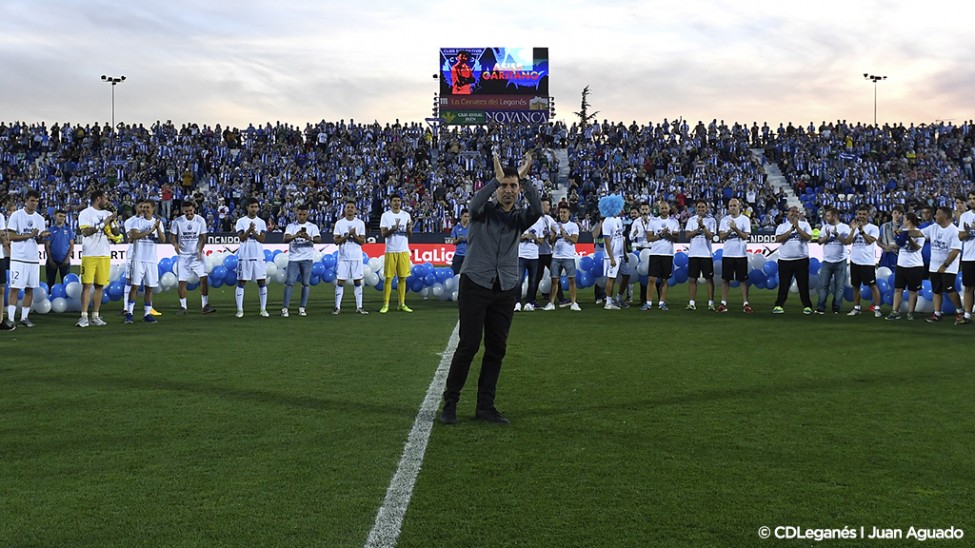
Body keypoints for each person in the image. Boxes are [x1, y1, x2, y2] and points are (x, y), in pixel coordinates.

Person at [440, 152, 539, 425]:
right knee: (469, 345)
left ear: (519, 190)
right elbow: (473, 204)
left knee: (497, 349)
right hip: (475, 283)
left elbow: (538, 211)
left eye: (513, 186)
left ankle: (485, 407)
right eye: (503, 186)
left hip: (505, 287)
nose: (508, 190)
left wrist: (525, 179)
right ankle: (450, 403)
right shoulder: (482, 213)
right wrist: (493, 182)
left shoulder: (520, 218)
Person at [6, 190, 50, 328]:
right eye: (32, 200)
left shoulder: (39, 219)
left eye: (37, 201)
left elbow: (38, 239)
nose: (34, 204)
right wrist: (30, 235)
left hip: (33, 259)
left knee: (30, 289)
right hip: (18, 258)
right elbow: (11, 237)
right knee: (14, 288)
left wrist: (42, 236)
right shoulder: (16, 216)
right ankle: (11, 319)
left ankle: (24, 318)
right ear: (26, 200)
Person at [77, 190, 121, 327]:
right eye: (105, 198)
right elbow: (85, 232)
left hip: (104, 253)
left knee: (99, 286)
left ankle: (95, 316)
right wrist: (104, 223)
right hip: (89, 253)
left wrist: (113, 221)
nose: (107, 201)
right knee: (86, 285)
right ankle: (84, 316)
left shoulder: (108, 214)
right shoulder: (85, 213)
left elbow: (117, 233)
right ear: (98, 199)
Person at [123, 199, 165, 324]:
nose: (145, 210)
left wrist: (157, 229)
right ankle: (129, 312)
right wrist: (150, 230)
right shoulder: (136, 221)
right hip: (138, 258)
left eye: (147, 208)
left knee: (149, 288)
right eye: (143, 207)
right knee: (135, 286)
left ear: (153, 209)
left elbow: (162, 240)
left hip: (151, 259)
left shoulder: (158, 223)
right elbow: (134, 236)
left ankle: (147, 313)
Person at [171, 200, 216, 314]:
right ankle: (183, 307)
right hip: (183, 255)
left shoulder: (200, 220)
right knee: (182, 281)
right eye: (186, 211)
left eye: (190, 211)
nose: (189, 213)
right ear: (183, 211)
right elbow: (172, 236)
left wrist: (200, 251)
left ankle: (205, 305)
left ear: (194, 209)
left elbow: (203, 237)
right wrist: (175, 244)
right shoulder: (178, 221)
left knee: (204, 278)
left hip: (196, 255)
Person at [920, 206, 963, 323]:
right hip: (934, 265)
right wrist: (905, 232)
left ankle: (960, 311)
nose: (935, 216)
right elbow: (919, 233)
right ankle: (937, 313)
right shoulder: (933, 227)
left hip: (949, 266)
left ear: (945, 216)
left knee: (950, 289)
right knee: (936, 290)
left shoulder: (954, 231)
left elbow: (955, 250)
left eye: (938, 214)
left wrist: (945, 265)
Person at [772, 206, 814, 314]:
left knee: (803, 284)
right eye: (792, 211)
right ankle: (779, 305)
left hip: (801, 259)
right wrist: (791, 230)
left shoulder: (805, 225)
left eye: (796, 212)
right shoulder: (782, 226)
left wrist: (798, 228)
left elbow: (808, 238)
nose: (794, 213)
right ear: (788, 214)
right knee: (784, 284)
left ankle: (807, 306)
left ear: (799, 214)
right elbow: (778, 239)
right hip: (785, 260)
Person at [281, 204, 321, 318]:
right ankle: (285, 308)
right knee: (290, 283)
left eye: (304, 214)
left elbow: (318, 239)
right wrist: (296, 235)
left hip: (307, 258)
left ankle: (302, 307)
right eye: (300, 214)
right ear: (296, 214)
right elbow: (285, 239)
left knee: (306, 284)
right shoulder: (291, 226)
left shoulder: (312, 227)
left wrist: (309, 238)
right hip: (293, 259)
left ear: (307, 214)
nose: (302, 217)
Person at [843, 205, 883, 317]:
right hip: (855, 260)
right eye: (859, 214)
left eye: (864, 214)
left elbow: (870, 241)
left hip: (867, 262)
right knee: (855, 286)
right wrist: (853, 230)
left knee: (873, 285)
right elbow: (848, 242)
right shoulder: (853, 227)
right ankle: (856, 307)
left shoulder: (873, 228)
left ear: (868, 215)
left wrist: (861, 231)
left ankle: (877, 308)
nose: (861, 216)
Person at [541, 203, 581, 311]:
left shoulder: (573, 226)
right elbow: (550, 241)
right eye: (560, 212)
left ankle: (574, 303)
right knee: (554, 280)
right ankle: (551, 303)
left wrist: (565, 234)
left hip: (568, 256)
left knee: (571, 280)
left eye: (564, 212)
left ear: (569, 214)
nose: (562, 214)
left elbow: (575, 240)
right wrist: (554, 234)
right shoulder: (555, 225)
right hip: (556, 256)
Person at [333, 200, 369, 315]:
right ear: (344, 209)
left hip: (356, 256)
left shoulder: (360, 223)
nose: (350, 209)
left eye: (352, 207)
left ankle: (359, 307)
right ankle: (337, 307)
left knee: (357, 281)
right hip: (343, 257)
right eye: (348, 207)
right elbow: (336, 241)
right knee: (340, 281)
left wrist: (353, 235)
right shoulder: (339, 223)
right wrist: (347, 235)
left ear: (355, 210)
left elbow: (362, 241)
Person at [234, 197, 269, 318]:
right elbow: (242, 238)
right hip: (245, 256)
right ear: (247, 208)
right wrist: (249, 229)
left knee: (262, 282)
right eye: (252, 207)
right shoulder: (241, 221)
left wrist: (253, 232)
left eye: (256, 207)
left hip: (258, 256)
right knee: (241, 282)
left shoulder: (261, 222)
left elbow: (262, 239)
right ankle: (240, 310)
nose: (254, 209)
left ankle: (263, 309)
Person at [887, 212, 925, 321]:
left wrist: (908, 238)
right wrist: (896, 241)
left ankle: (910, 312)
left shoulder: (919, 233)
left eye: (904, 218)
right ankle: (895, 311)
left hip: (915, 265)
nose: (902, 220)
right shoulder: (902, 231)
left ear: (909, 220)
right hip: (902, 264)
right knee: (898, 289)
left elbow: (917, 248)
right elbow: (899, 245)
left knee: (913, 290)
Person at [379, 195, 414, 313]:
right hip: (390, 250)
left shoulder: (406, 215)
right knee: (389, 278)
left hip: (403, 250)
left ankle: (402, 304)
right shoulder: (386, 216)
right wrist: (394, 229)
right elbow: (383, 234)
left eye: (398, 201)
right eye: (394, 201)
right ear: (390, 203)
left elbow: (410, 234)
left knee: (402, 278)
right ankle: (386, 304)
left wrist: (409, 228)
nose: (397, 203)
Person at [718, 198, 752, 313]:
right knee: (726, 280)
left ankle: (746, 303)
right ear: (728, 207)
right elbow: (721, 237)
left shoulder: (745, 220)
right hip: (728, 254)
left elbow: (745, 236)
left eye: (734, 205)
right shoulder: (724, 220)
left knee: (742, 280)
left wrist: (735, 229)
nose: (732, 207)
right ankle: (723, 303)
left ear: (739, 207)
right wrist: (729, 231)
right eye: (731, 205)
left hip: (740, 254)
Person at [815, 207, 850, 314]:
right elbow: (819, 241)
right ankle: (821, 307)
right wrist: (827, 236)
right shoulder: (825, 227)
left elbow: (846, 241)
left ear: (835, 216)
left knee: (839, 286)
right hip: (827, 261)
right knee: (823, 285)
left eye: (828, 215)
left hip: (841, 261)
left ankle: (836, 308)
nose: (826, 217)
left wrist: (836, 235)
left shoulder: (844, 227)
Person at [646, 200, 679, 311]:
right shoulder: (653, 221)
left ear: (669, 209)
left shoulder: (674, 222)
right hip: (655, 253)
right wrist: (660, 235)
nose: (664, 210)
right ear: (659, 209)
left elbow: (676, 239)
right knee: (651, 279)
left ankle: (662, 303)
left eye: (666, 208)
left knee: (665, 280)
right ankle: (649, 303)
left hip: (667, 254)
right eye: (662, 208)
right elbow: (649, 238)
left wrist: (667, 234)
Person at [684, 199, 716, 311]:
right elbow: (687, 235)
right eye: (699, 207)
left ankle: (711, 303)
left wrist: (702, 227)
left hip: (706, 254)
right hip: (693, 254)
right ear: (696, 208)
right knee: (692, 279)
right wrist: (697, 229)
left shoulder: (711, 220)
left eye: (703, 207)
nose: (701, 209)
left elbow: (710, 236)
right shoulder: (691, 220)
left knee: (709, 279)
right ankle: (692, 303)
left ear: (706, 208)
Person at [600, 195, 626, 310]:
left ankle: (616, 298)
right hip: (612, 256)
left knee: (623, 276)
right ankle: (608, 302)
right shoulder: (607, 222)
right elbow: (607, 241)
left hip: (620, 255)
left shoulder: (619, 220)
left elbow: (621, 237)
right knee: (611, 278)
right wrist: (611, 258)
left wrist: (624, 253)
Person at [515, 217, 543, 312]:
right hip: (521, 255)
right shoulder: (521, 223)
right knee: (519, 280)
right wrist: (525, 237)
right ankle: (517, 303)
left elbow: (542, 241)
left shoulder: (539, 224)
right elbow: (515, 238)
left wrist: (535, 238)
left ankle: (529, 303)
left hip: (534, 256)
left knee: (532, 281)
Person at [629, 202, 653, 310]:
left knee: (654, 274)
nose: (644, 211)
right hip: (640, 249)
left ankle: (660, 300)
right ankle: (643, 299)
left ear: (649, 210)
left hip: (651, 248)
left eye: (646, 209)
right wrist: (635, 233)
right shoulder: (636, 222)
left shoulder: (654, 220)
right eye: (642, 209)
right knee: (643, 274)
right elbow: (630, 237)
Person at [956, 192, 975, 324]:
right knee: (968, 287)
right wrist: (968, 232)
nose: (972, 201)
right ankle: (967, 315)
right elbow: (960, 236)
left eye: (974, 199)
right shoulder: (965, 216)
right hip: (968, 256)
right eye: (970, 199)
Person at [44, 209, 74, 288]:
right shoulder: (50, 230)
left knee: (66, 285)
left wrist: (67, 259)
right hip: (52, 260)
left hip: (65, 261)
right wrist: (50, 259)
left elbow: (71, 245)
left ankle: (66, 300)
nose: (62, 218)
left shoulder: (68, 230)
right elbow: (47, 245)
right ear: (55, 217)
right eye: (60, 216)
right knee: (50, 283)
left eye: (64, 216)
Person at [449, 209, 470, 275]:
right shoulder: (456, 228)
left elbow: (474, 241)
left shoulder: (471, 228)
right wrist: (459, 239)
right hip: (458, 255)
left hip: (468, 256)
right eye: (465, 216)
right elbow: (453, 242)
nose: (467, 218)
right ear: (461, 217)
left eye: (468, 217)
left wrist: (467, 239)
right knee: (455, 274)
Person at [0, 206, 11, 330]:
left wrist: (4, 240)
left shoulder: (0, 216)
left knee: (1, 289)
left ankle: (0, 320)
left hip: (0, 257)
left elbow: (2, 234)